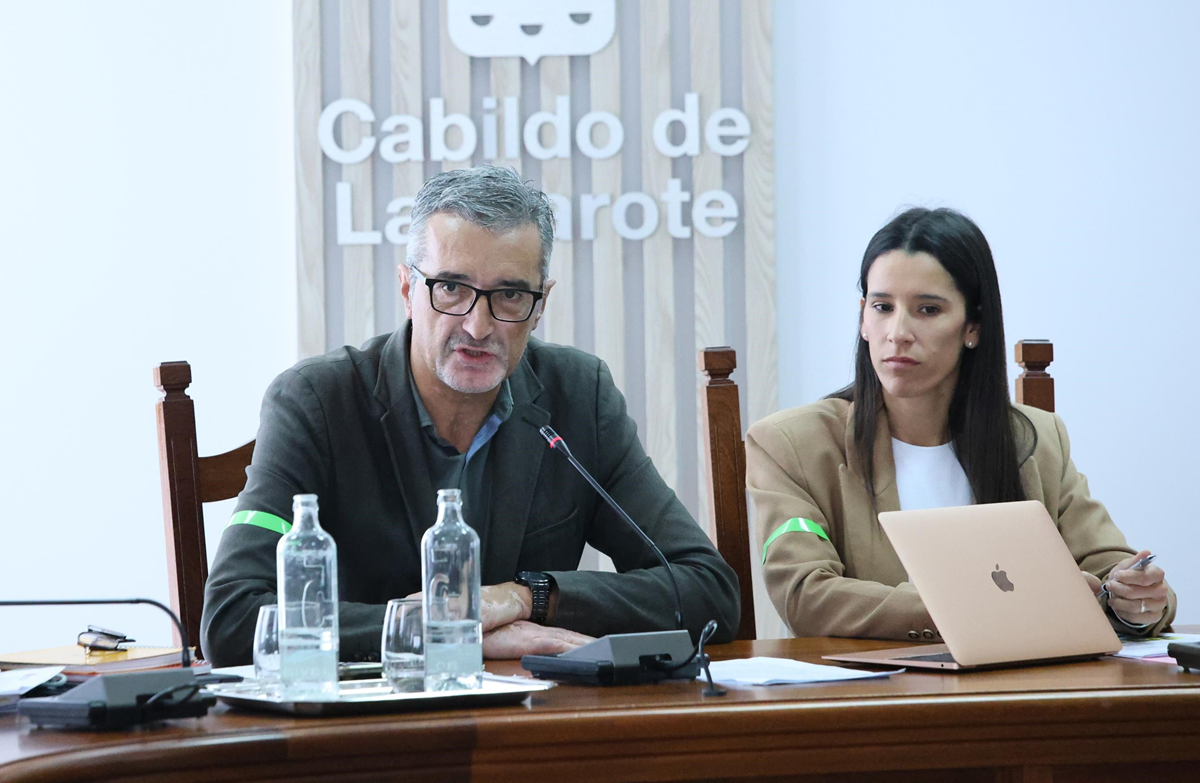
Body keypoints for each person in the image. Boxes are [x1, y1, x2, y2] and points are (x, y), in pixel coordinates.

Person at [201, 165, 740, 667]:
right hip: (369, 720)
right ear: (408, 289)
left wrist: (528, 597)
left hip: (532, 717)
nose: (478, 326)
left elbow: (707, 590)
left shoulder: (579, 395)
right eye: (451, 288)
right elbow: (231, 618)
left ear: (541, 304)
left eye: (509, 295)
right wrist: (444, 633)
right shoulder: (316, 401)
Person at [747, 207, 1175, 641]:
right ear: (863, 319)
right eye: (882, 307)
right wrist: (994, 605)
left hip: (1023, 677)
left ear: (973, 326)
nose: (897, 332)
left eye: (927, 309)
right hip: (877, 681)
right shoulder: (790, 445)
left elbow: (1112, 567)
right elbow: (806, 595)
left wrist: (1136, 600)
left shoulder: (1038, 439)